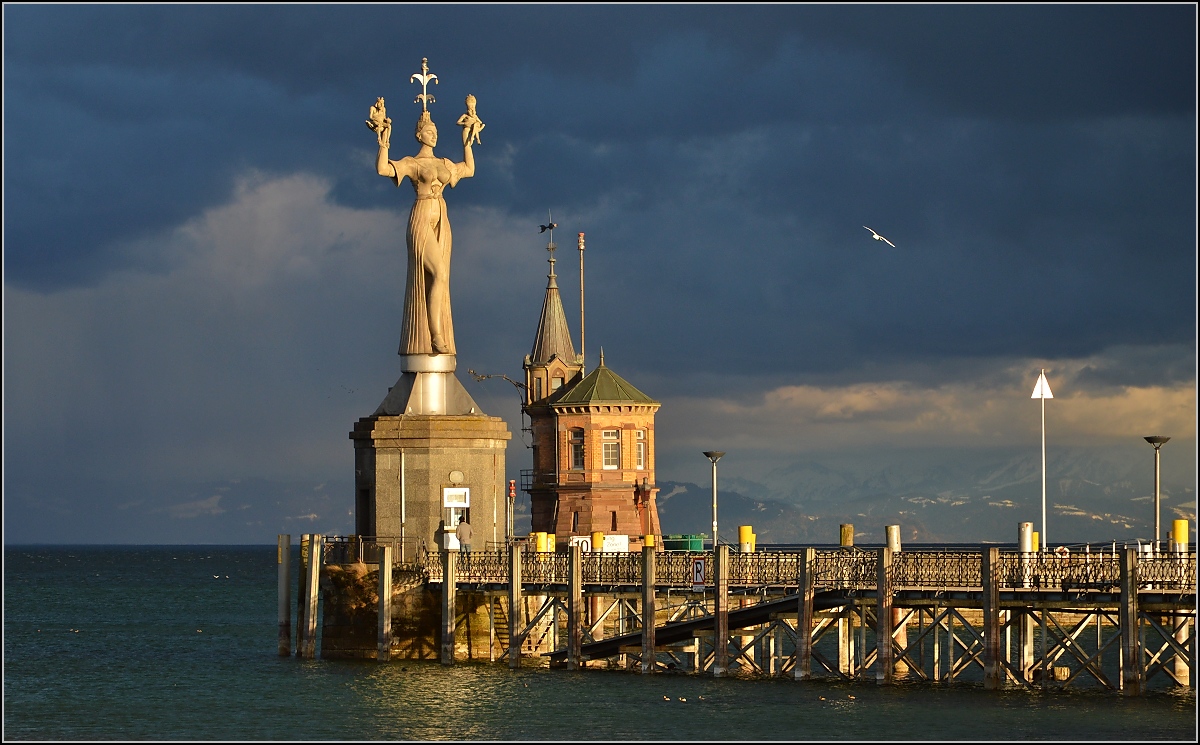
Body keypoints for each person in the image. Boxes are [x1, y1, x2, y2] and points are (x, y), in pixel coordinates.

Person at [374, 100, 481, 357]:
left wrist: (467, 142)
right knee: (439, 274)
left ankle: (438, 332)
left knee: (440, 278)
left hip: (442, 219)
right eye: (429, 131)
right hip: (421, 217)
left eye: (435, 131)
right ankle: (436, 337)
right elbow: (382, 169)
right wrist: (383, 141)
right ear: (418, 134)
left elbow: (469, 170)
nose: (434, 135)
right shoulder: (413, 163)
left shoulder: (444, 163)